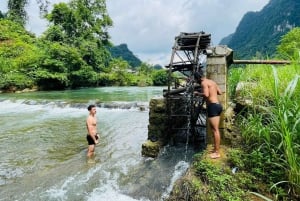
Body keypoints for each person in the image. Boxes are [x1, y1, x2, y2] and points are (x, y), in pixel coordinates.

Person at [194, 71, 223, 159]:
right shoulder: (212, 82)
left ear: (198, 78)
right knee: (215, 129)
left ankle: (217, 152)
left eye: (196, 80)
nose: (197, 82)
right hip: (218, 106)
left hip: (212, 107)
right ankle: (215, 149)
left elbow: (206, 95)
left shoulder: (203, 83)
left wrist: (197, 93)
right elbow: (220, 92)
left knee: (215, 130)